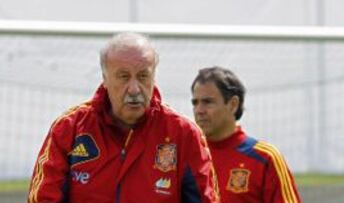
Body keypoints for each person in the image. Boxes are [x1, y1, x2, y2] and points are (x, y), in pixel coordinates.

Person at [27, 33, 220, 203]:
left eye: (143, 76)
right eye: (123, 76)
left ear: (154, 77)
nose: (135, 89)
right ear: (105, 78)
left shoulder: (184, 133)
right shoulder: (70, 128)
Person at [191, 66, 301, 203]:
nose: (199, 110)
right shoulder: (187, 155)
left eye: (208, 102)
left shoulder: (265, 158)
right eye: (195, 103)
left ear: (233, 104)